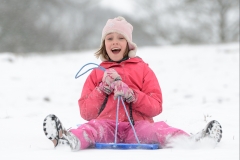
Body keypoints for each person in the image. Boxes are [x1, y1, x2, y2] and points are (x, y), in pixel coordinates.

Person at [43, 16, 222, 151]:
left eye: (120, 38)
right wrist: (103, 89)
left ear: (129, 44)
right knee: (90, 129)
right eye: (109, 38)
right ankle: (66, 140)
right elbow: (86, 112)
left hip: (138, 126)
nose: (114, 42)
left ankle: (194, 141)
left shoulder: (143, 69)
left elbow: (156, 106)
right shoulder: (97, 73)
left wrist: (132, 95)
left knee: (158, 130)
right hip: (106, 126)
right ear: (104, 44)